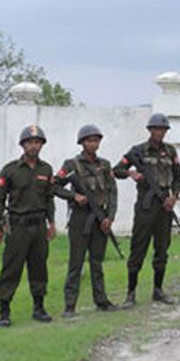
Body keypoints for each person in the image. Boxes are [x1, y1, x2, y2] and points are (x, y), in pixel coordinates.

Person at [112, 113, 180, 306]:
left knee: (162, 249)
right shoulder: (138, 151)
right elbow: (116, 170)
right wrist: (131, 173)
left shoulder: (170, 151)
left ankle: (158, 290)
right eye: (156, 129)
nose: (160, 132)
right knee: (138, 248)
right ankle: (131, 292)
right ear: (150, 130)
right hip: (145, 206)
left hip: (164, 206)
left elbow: (179, 177)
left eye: (163, 129)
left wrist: (173, 198)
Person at [0, 125, 57, 327]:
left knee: (39, 268)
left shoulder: (46, 169)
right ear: (23, 145)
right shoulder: (10, 170)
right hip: (18, 227)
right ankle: (4, 310)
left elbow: (49, 198)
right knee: (12, 268)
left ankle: (39, 307)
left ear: (41, 145)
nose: (33, 146)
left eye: (37, 142)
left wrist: (52, 222)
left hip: (38, 226)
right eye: (29, 142)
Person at [55, 124, 120, 316]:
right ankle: (69, 305)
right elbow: (54, 185)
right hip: (80, 218)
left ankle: (101, 300)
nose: (93, 143)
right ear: (82, 143)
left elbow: (112, 192)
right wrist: (73, 197)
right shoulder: (72, 164)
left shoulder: (105, 165)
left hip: (101, 217)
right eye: (89, 140)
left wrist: (110, 217)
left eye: (96, 140)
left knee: (97, 262)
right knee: (76, 263)